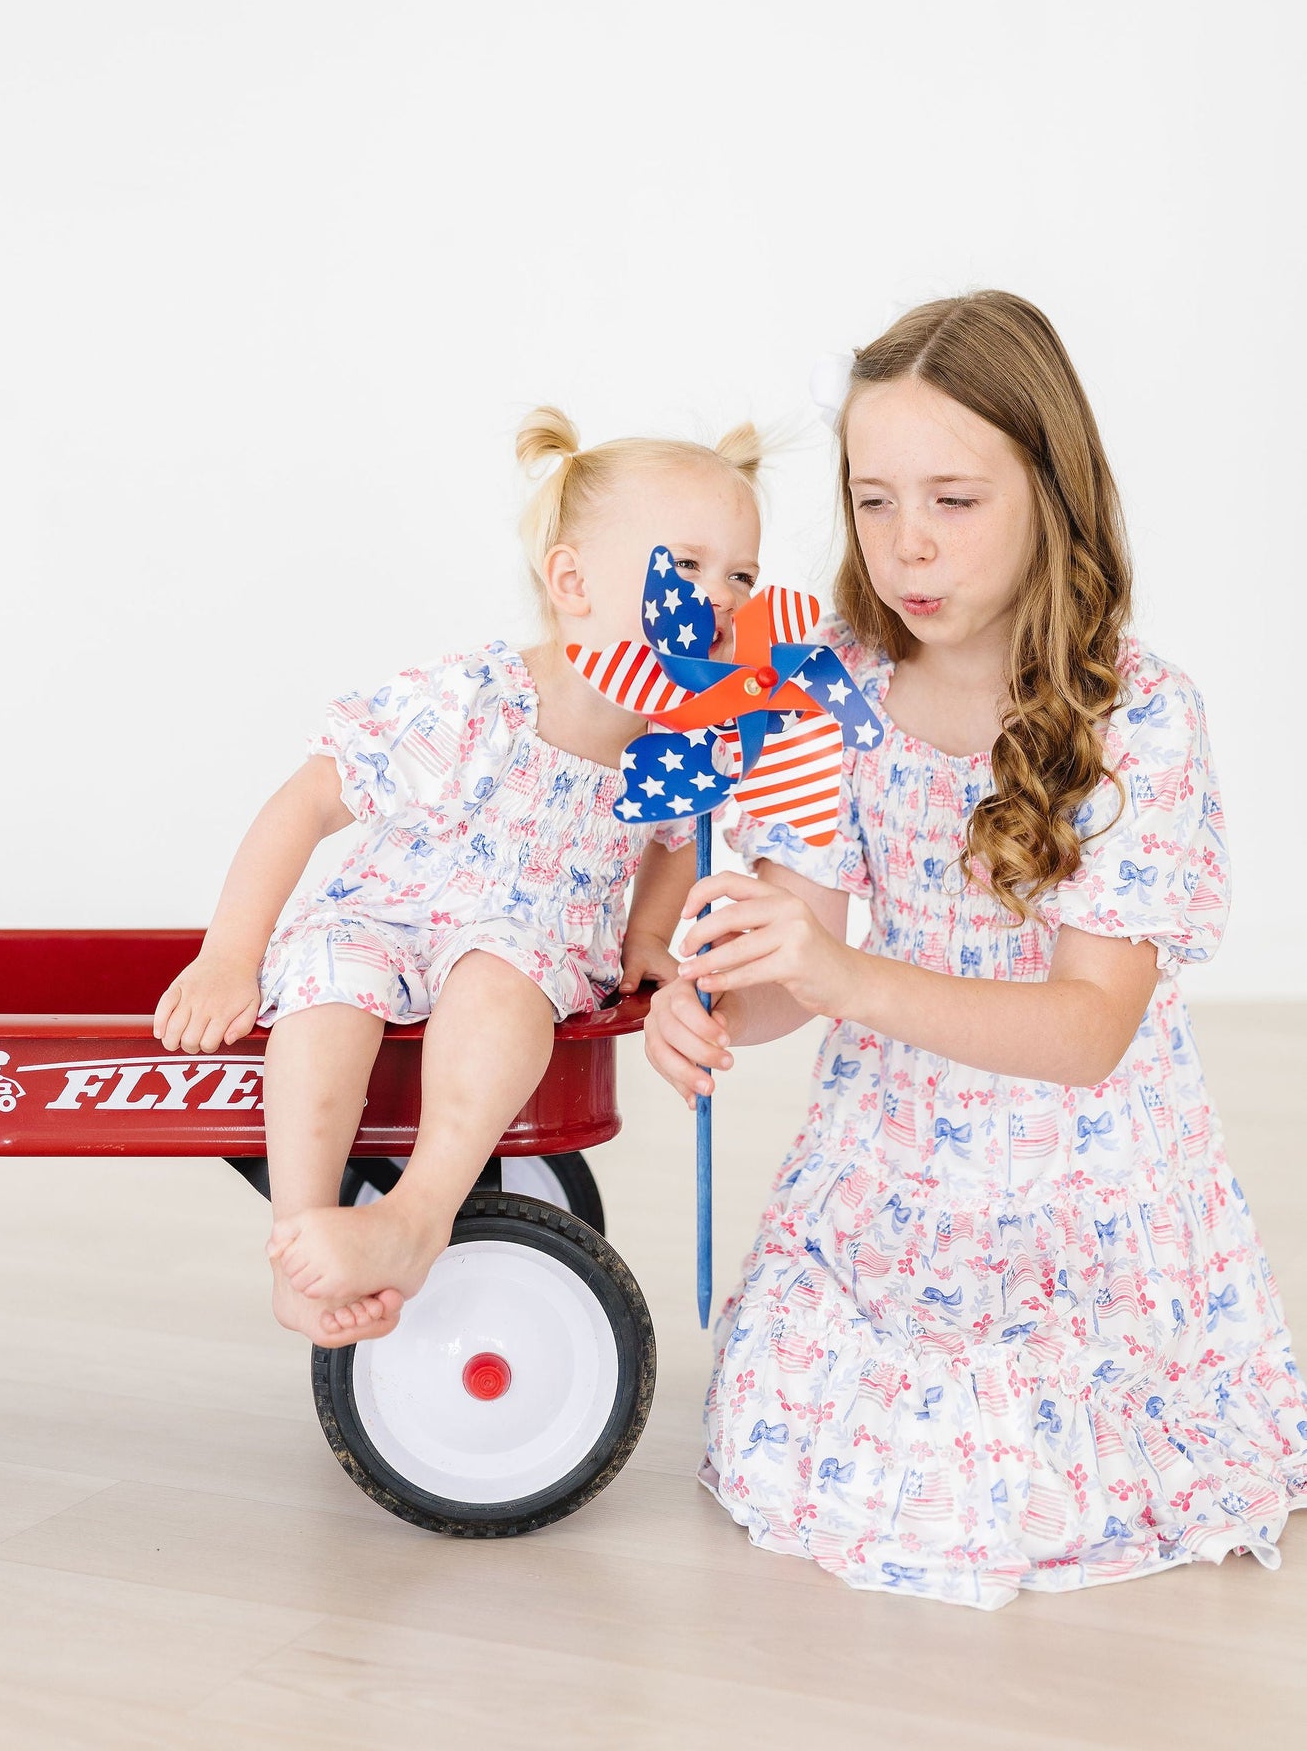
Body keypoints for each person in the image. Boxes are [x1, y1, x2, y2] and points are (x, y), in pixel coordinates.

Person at [647, 290, 1305, 1607]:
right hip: (890, 1159)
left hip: (1082, 1175)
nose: (905, 547)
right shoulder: (834, 682)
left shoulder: (1138, 719)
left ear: (1049, 492)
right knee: (787, 1399)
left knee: (1005, 1454)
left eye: (953, 500)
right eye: (872, 498)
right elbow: (803, 956)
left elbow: (1084, 1032)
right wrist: (713, 994)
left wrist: (838, 981)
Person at [152, 408, 753, 1347]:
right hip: (390, 916)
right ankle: (298, 1237)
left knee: (497, 975)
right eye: (683, 568)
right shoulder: (478, 699)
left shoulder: (681, 739)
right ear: (571, 581)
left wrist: (645, 936)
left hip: (527, 939)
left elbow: (678, 839)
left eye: (740, 577)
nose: (717, 600)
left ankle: (415, 1217)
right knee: (328, 982)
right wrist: (230, 956)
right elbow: (309, 801)